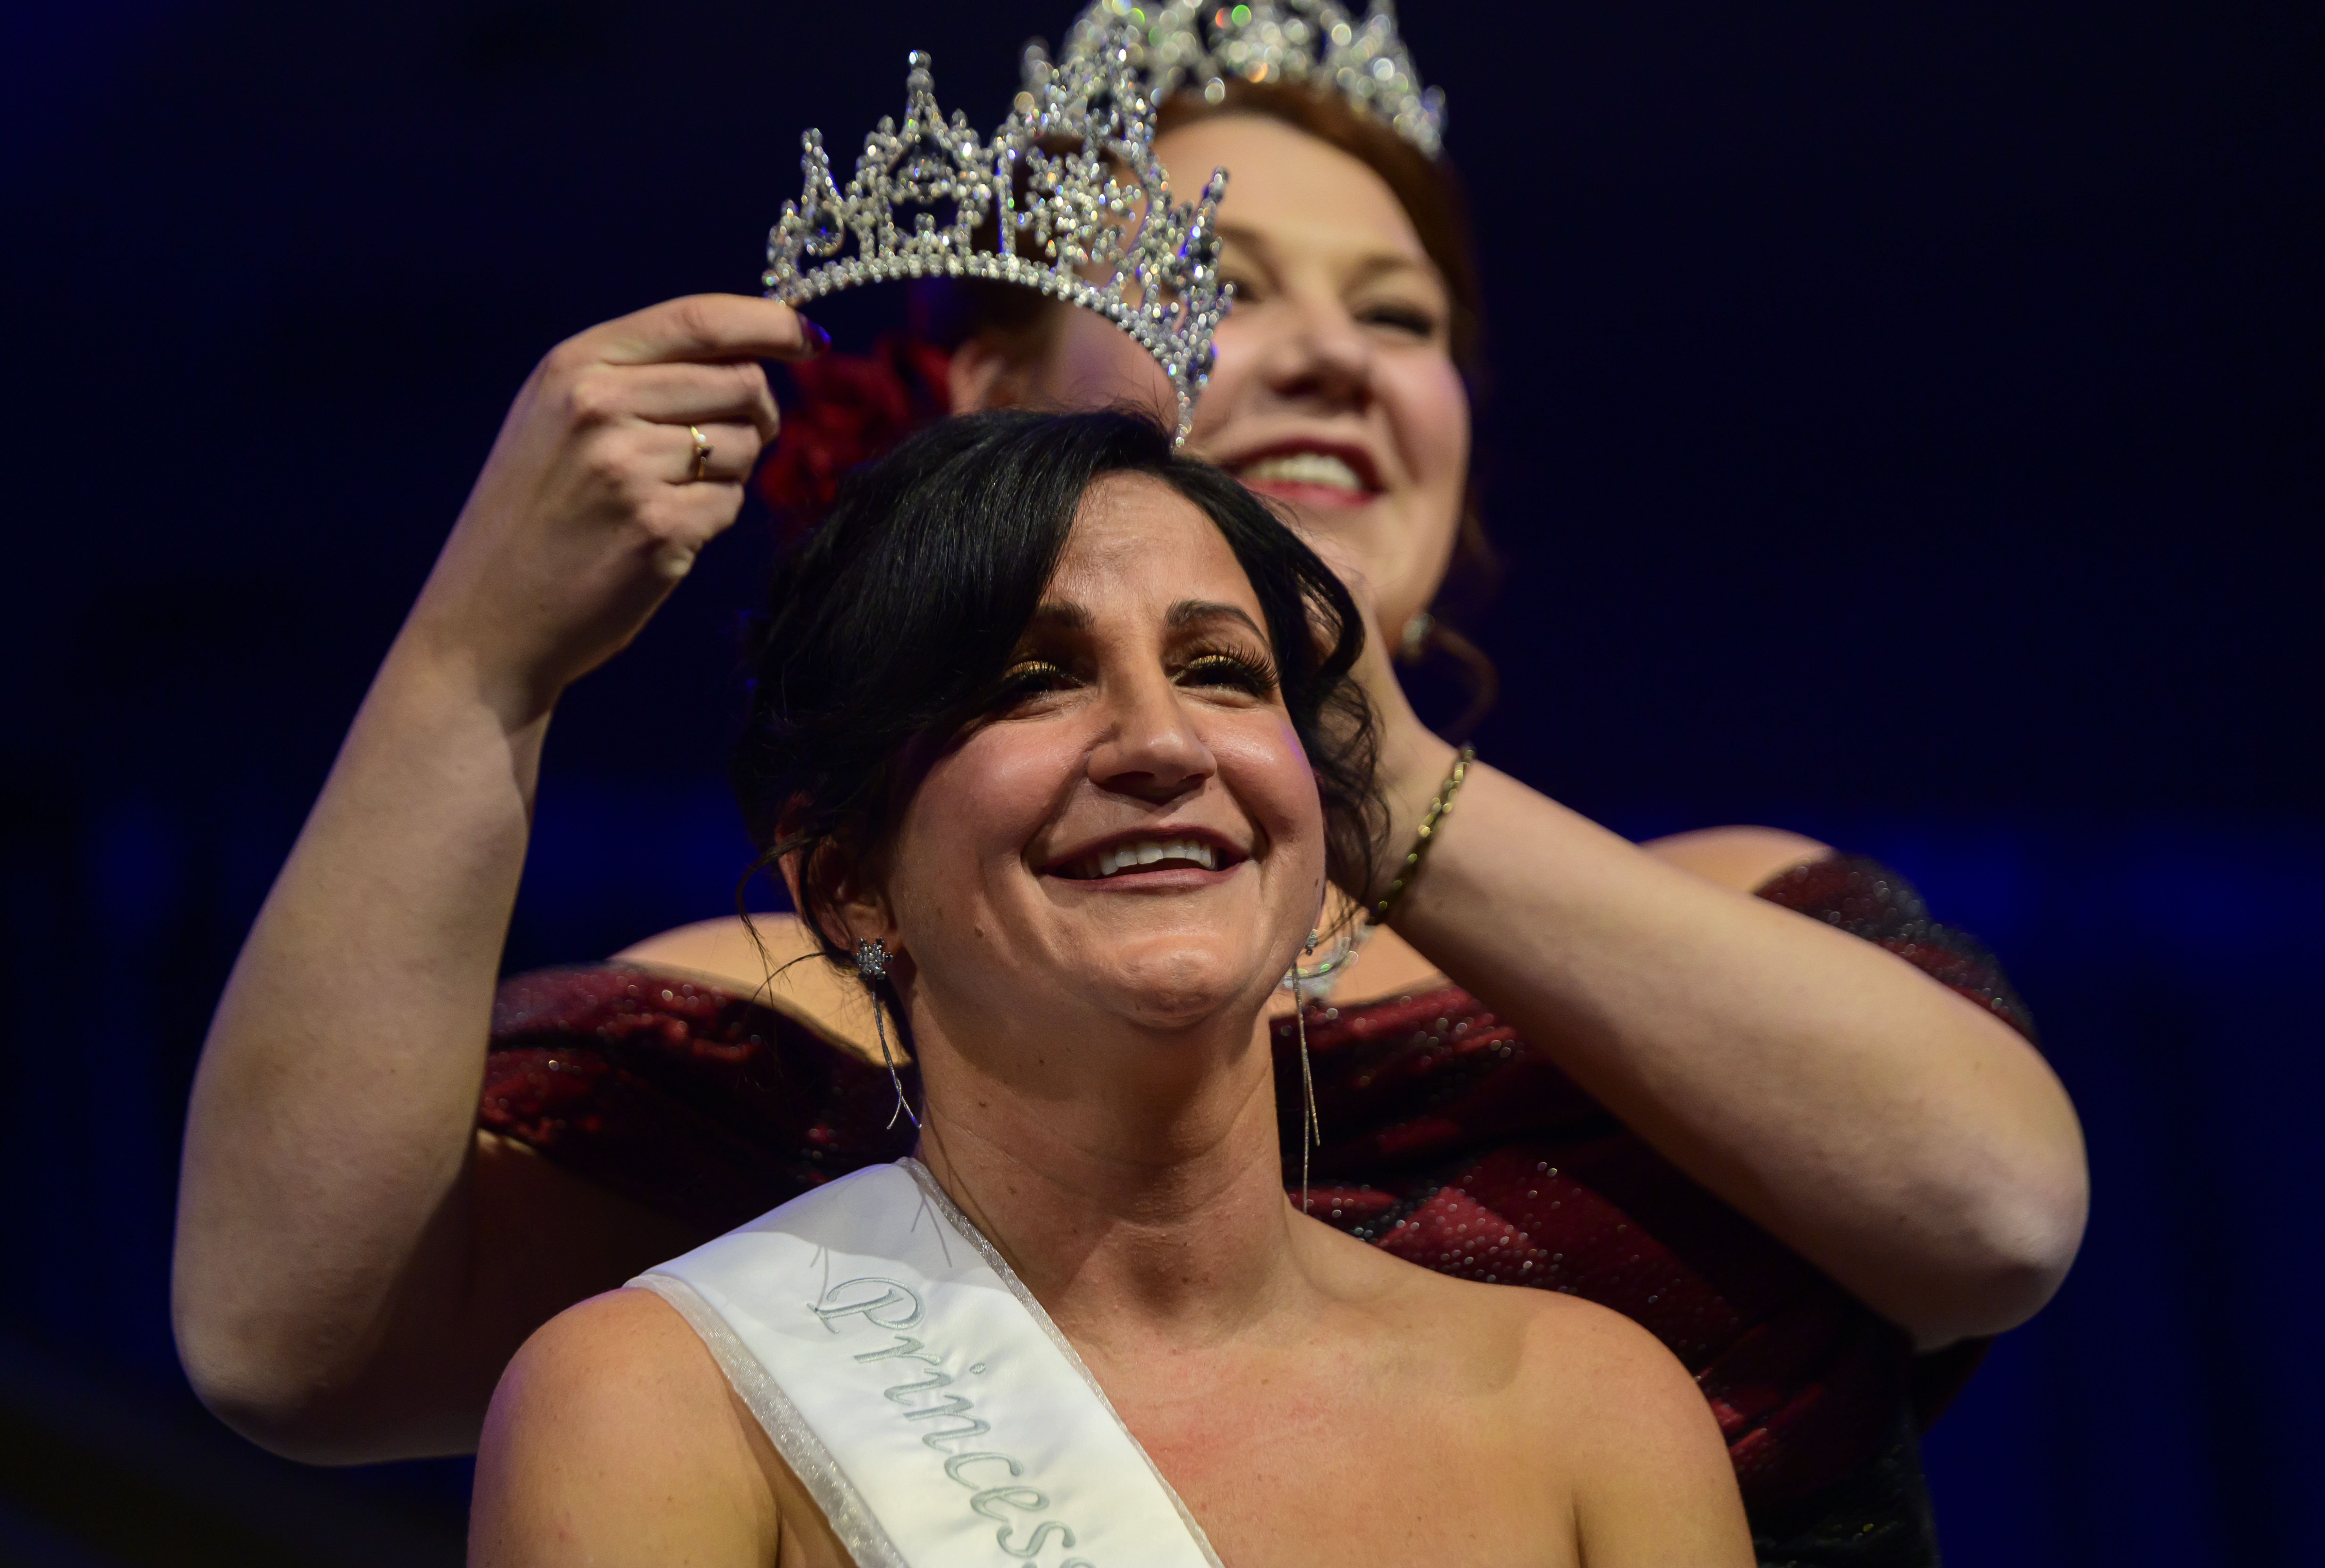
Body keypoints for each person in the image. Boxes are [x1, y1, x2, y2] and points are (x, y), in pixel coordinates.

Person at [173, 5, 2086, 1558]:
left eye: (1401, 318)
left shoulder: (1733, 919)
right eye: (1223, 281)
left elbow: (1992, 1210)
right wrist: (474, 661)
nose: (1333, 353)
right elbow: (293, 1336)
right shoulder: (802, 1010)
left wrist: (1357, 751)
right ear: (994, 409)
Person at [468, 406, 1754, 1567]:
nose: (1159, 741)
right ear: (852, 885)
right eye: (1030, 680)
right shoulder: (657, 1405)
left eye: (1220, 671)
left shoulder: (1590, 1413)